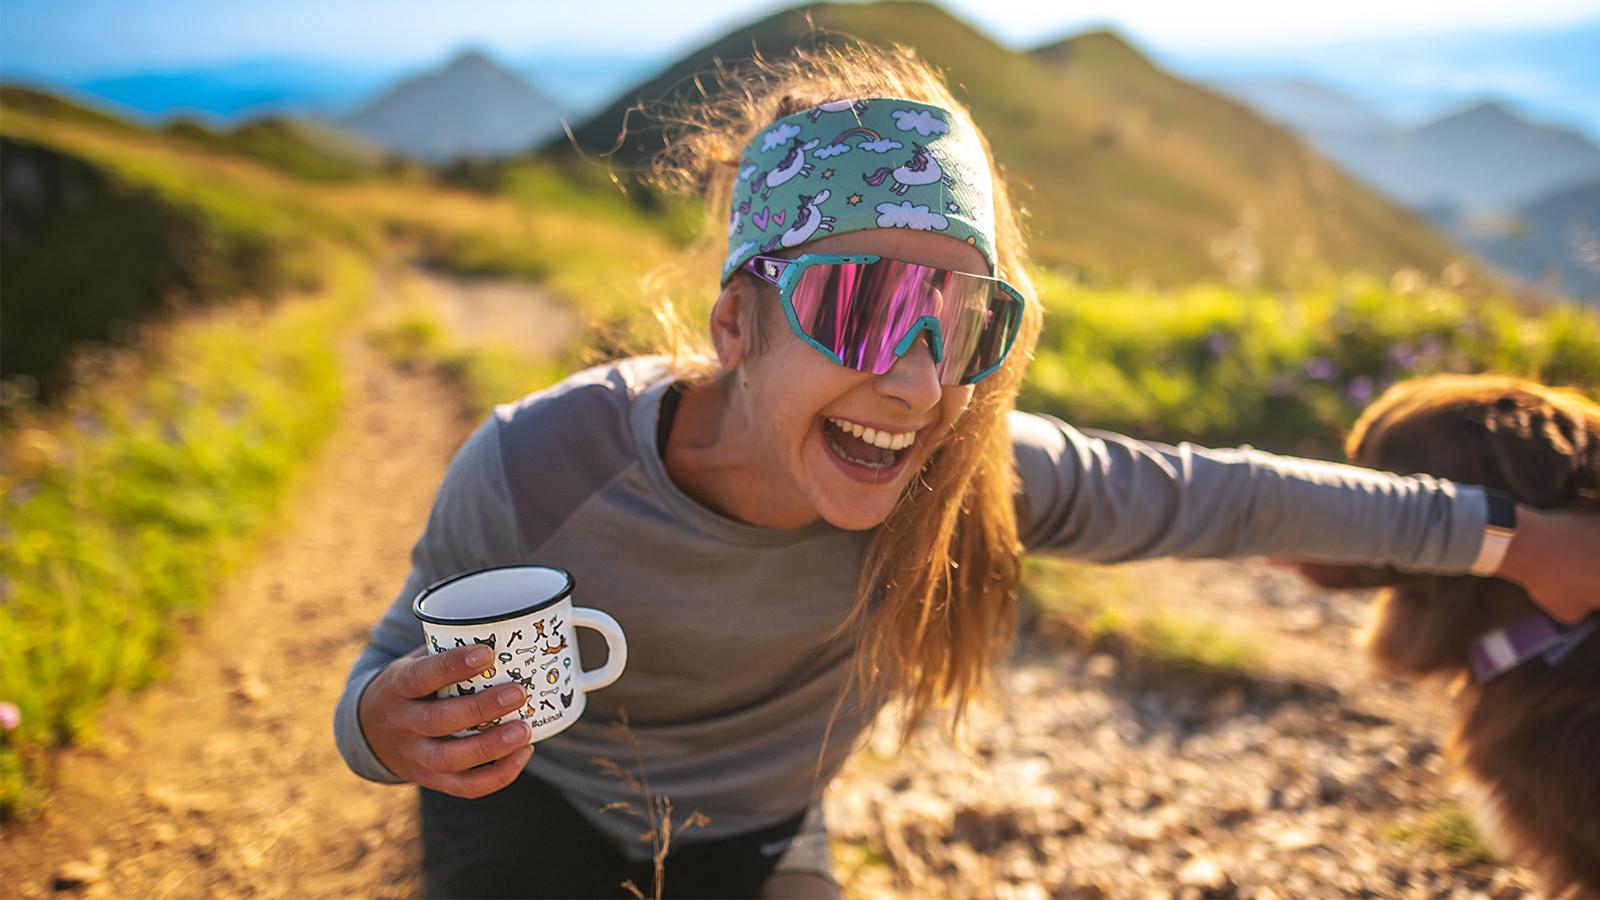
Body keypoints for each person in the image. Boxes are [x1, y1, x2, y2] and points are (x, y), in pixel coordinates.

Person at [333, 44, 1599, 899]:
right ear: (734, 324)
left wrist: (1513, 539)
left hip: (758, 841)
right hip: (531, 817)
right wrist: (383, 730)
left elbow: (1228, 493)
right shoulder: (532, 465)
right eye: (868, 307)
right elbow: (386, 670)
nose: (921, 385)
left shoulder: (966, 474)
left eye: (966, 326)